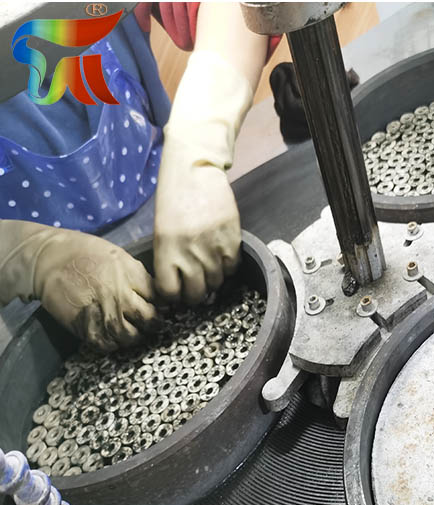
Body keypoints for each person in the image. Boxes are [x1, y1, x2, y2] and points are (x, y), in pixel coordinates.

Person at [0, 2, 273, 349]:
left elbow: (235, 7)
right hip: (28, 304)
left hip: (168, 214)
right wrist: (29, 256)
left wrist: (197, 147)